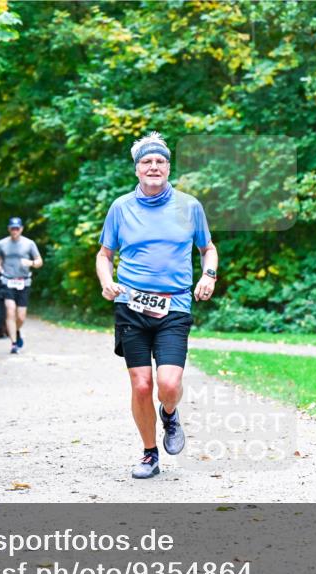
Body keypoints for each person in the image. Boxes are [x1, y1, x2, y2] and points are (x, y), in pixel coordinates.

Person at [95, 131, 218, 479]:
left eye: (160, 161)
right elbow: (104, 256)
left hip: (174, 306)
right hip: (130, 305)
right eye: (146, 162)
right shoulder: (120, 207)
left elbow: (208, 249)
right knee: (141, 385)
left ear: (168, 167)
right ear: (136, 169)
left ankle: (170, 413)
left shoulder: (189, 206)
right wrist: (107, 281)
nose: (153, 167)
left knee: (167, 384)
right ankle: (149, 453)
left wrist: (208, 275)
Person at [0, 217, 42, 354]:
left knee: (21, 317)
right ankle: (14, 344)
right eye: (12, 228)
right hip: (7, 281)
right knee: (10, 310)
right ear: (9, 229)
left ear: (21, 229)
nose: (14, 231)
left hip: (23, 282)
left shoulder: (29, 244)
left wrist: (31, 263)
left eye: (17, 228)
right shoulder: (1, 244)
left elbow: (39, 261)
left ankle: (16, 330)